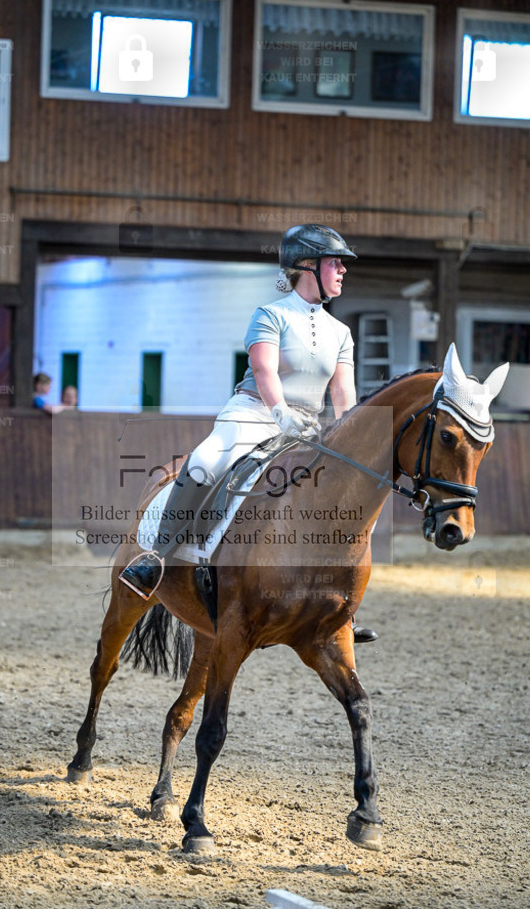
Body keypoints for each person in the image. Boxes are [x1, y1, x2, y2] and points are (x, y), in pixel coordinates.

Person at [119, 224, 377, 642]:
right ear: (307, 266)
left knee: (348, 491)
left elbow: (344, 392)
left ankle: (339, 607)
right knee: (204, 463)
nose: (343, 269)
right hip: (254, 413)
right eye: (335, 262)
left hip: (309, 427)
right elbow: (264, 371)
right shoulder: (271, 314)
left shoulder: (341, 333)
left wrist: (349, 439)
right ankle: (157, 558)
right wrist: (280, 412)